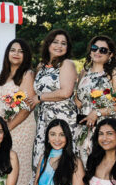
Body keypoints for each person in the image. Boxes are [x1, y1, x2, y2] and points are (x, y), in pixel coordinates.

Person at [0, 39, 37, 185]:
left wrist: (9, 128)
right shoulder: (3, 75)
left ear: (25, 56)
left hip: (19, 128)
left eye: (20, 51)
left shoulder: (27, 74)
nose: (16, 53)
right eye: (13, 50)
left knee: (18, 166)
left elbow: (27, 106)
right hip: (0, 129)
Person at [29, 30, 79, 171]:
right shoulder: (41, 66)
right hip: (44, 118)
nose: (59, 46)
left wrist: (40, 98)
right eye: (55, 42)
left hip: (63, 117)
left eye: (63, 43)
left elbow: (65, 92)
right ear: (48, 44)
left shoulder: (67, 64)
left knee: (61, 159)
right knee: (44, 158)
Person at [72, 35, 116, 161]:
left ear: (111, 55)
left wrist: (98, 112)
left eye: (103, 50)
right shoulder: (84, 72)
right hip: (84, 128)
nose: (97, 52)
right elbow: (79, 101)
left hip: (107, 130)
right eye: (94, 48)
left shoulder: (115, 73)